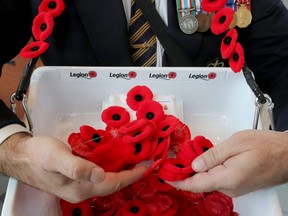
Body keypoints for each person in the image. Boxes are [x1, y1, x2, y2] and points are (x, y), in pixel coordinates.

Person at [0, 0, 288, 204]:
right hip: (77, 177)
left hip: (208, 176)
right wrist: (13, 150)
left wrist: (285, 153)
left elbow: (283, 59)